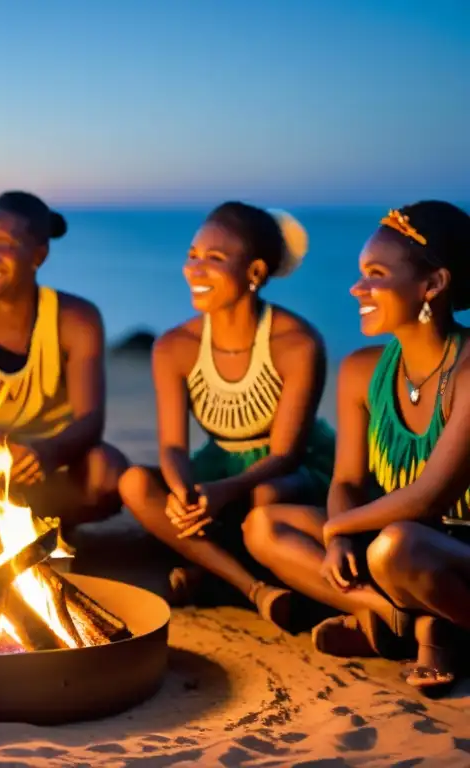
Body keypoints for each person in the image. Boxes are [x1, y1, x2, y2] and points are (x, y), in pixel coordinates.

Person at [244, 201, 470, 697]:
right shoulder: (362, 370)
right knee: (264, 525)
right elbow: (347, 481)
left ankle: (427, 628)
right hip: (399, 541)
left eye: (376, 274)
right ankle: (403, 620)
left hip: (451, 551)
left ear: (432, 286)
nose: (356, 288)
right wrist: (338, 540)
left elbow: (429, 498)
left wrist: (339, 527)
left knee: (396, 547)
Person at [119, 202, 335, 628]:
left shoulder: (297, 343)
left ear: (255, 273)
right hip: (216, 468)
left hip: (286, 473)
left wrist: (223, 491)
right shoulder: (174, 347)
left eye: (213, 259)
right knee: (135, 483)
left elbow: (286, 454)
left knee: (265, 497)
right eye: (192, 256)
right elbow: (174, 446)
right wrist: (183, 489)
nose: (194, 270)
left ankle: (216, 578)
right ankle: (253, 587)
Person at [0, 191, 128, 544]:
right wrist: (5, 451)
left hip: (54, 458)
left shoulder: (75, 318)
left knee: (106, 470)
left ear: (38, 255)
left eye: (3, 244)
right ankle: (15, 529)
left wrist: (46, 453)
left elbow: (90, 420)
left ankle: (47, 525)